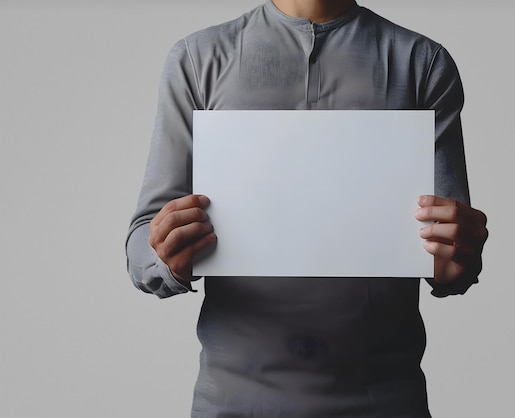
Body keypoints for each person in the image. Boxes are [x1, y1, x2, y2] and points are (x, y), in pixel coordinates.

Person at [126, 0, 488, 416]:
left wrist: (458, 257)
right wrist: (162, 254)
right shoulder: (198, 59)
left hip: (384, 401)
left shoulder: (421, 63)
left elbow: (452, 248)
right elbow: (142, 242)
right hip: (234, 403)